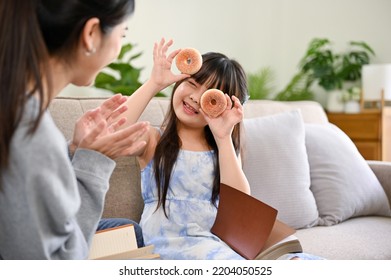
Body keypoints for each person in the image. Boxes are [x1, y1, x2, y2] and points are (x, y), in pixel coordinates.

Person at [118, 39, 324, 260]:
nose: (195, 98)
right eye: (193, 84)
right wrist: (154, 83)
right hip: (170, 245)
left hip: (217, 245)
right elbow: (112, 130)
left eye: (210, 96)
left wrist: (223, 137)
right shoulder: (153, 140)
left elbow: (240, 206)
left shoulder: (221, 149)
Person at [0, 0, 146, 259]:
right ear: (90, 34)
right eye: (121, 34)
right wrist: (92, 166)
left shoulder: (18, 110)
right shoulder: (31, 132)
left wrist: (73, 152)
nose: (118, 46)